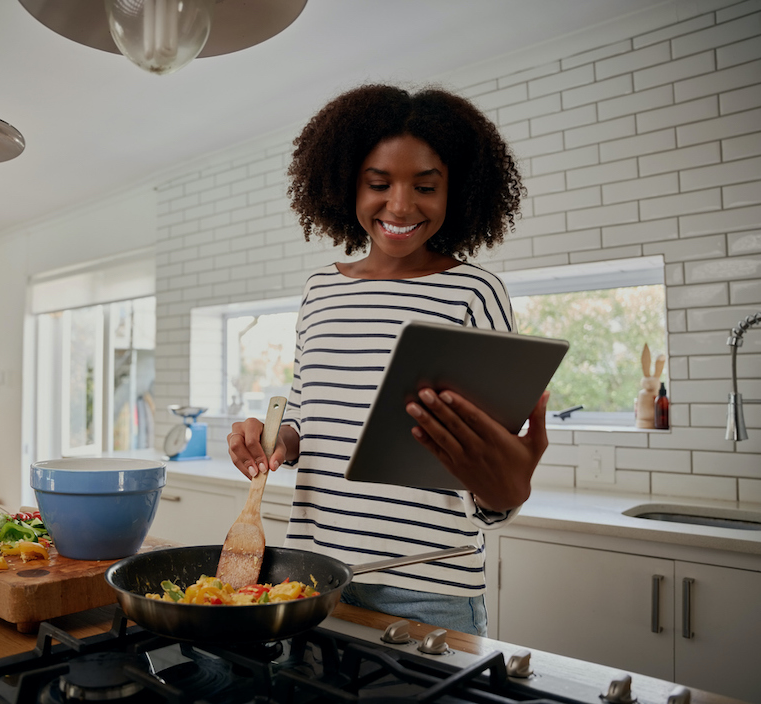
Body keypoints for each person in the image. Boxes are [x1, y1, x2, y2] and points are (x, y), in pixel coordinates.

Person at [226, 84, 550, 637]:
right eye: (379, 184)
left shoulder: (474, 291)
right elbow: (308, 415)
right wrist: (279, 438)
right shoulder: (320, 290)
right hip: (312, 574)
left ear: (457, 190)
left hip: (429, 584)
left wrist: (509, 480)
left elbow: (490, 455)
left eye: (426, 186)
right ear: (346, 184)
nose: (400, 205)